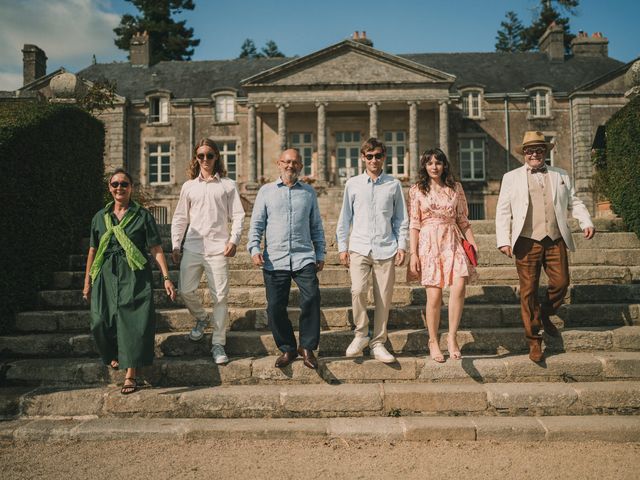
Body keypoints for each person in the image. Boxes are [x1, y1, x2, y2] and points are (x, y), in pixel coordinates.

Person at [496, 131, 595, 362]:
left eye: (539, 150)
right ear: (524, 154)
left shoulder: (560, 175)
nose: (534, 154)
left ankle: (546, 311)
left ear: (545, 153)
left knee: (561, 282)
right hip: (526, 240)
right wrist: (503, 240)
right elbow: (503, 210)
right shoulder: (511, 177)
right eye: (530, 151)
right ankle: (534, 341)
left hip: (554, 237)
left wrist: (586, 221)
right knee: (528, 291)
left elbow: (574, 201)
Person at [83, 169, 176, 394]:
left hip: (134, 273)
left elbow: (155, 248)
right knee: (98, 321)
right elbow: (93, 250)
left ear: (131, 188)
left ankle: (130, 374)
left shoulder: (143, 216)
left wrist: (166, 277)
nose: (119, 188)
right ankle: (113, 354)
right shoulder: (99, 217)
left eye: (124, 184)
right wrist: (87, 281)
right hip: (106, 273)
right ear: (109, 188)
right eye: (115, 184)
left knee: (131, 322)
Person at [247, 148, 325, 370]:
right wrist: (254, 248)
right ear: (279, 163)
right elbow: (257, 224)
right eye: (286, 162)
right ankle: (288, 348)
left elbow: (316, 226)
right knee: (274, 307)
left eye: (295, 163)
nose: (291, 166)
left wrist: (320, 253)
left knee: (311, 298)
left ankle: (307, 347)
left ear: (301, 166)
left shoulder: (309, 193)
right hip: (275, 258)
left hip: (303, 257)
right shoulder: (266, 191)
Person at [171, 139, 245, 365]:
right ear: (196, 158)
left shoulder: (228, 185)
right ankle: (202, 318)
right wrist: (176, 244)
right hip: (193, 246)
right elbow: (180, 217)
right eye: (201, 155)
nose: (205, 159)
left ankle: (218, 343)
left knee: (220, 297)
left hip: (218, 248)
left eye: (209, 155)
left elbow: (239, 215)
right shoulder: (188, 187)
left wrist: (234, 240)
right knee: (185, 290)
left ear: (216, 158)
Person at [336, 137, 409, 364]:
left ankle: (378, 342)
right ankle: (361, 334)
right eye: (369, 156)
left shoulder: (393, 184)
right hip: (358, 246)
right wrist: (342, 247)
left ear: (384, 157)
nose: (374, 160)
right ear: (363, 158)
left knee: (383, 298)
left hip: (386, 247)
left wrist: (403, 246)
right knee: (357, 291)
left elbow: (401, 219)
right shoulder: (353, 184)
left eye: (378, 156)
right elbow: (344, 218)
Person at [407, 148, 478, 363]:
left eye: (438, 163)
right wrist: (413, 254)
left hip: (452, 240)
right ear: (425, 166)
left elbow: (463, 220)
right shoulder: (417, 190)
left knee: (459, 286)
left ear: (444, 165)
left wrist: (473, 243)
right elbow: (414, 223)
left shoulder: (456, 188)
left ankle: (452, 338)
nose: (434, 167)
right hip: (428, 243)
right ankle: (433, 340)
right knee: (434, 297)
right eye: (430, 163)